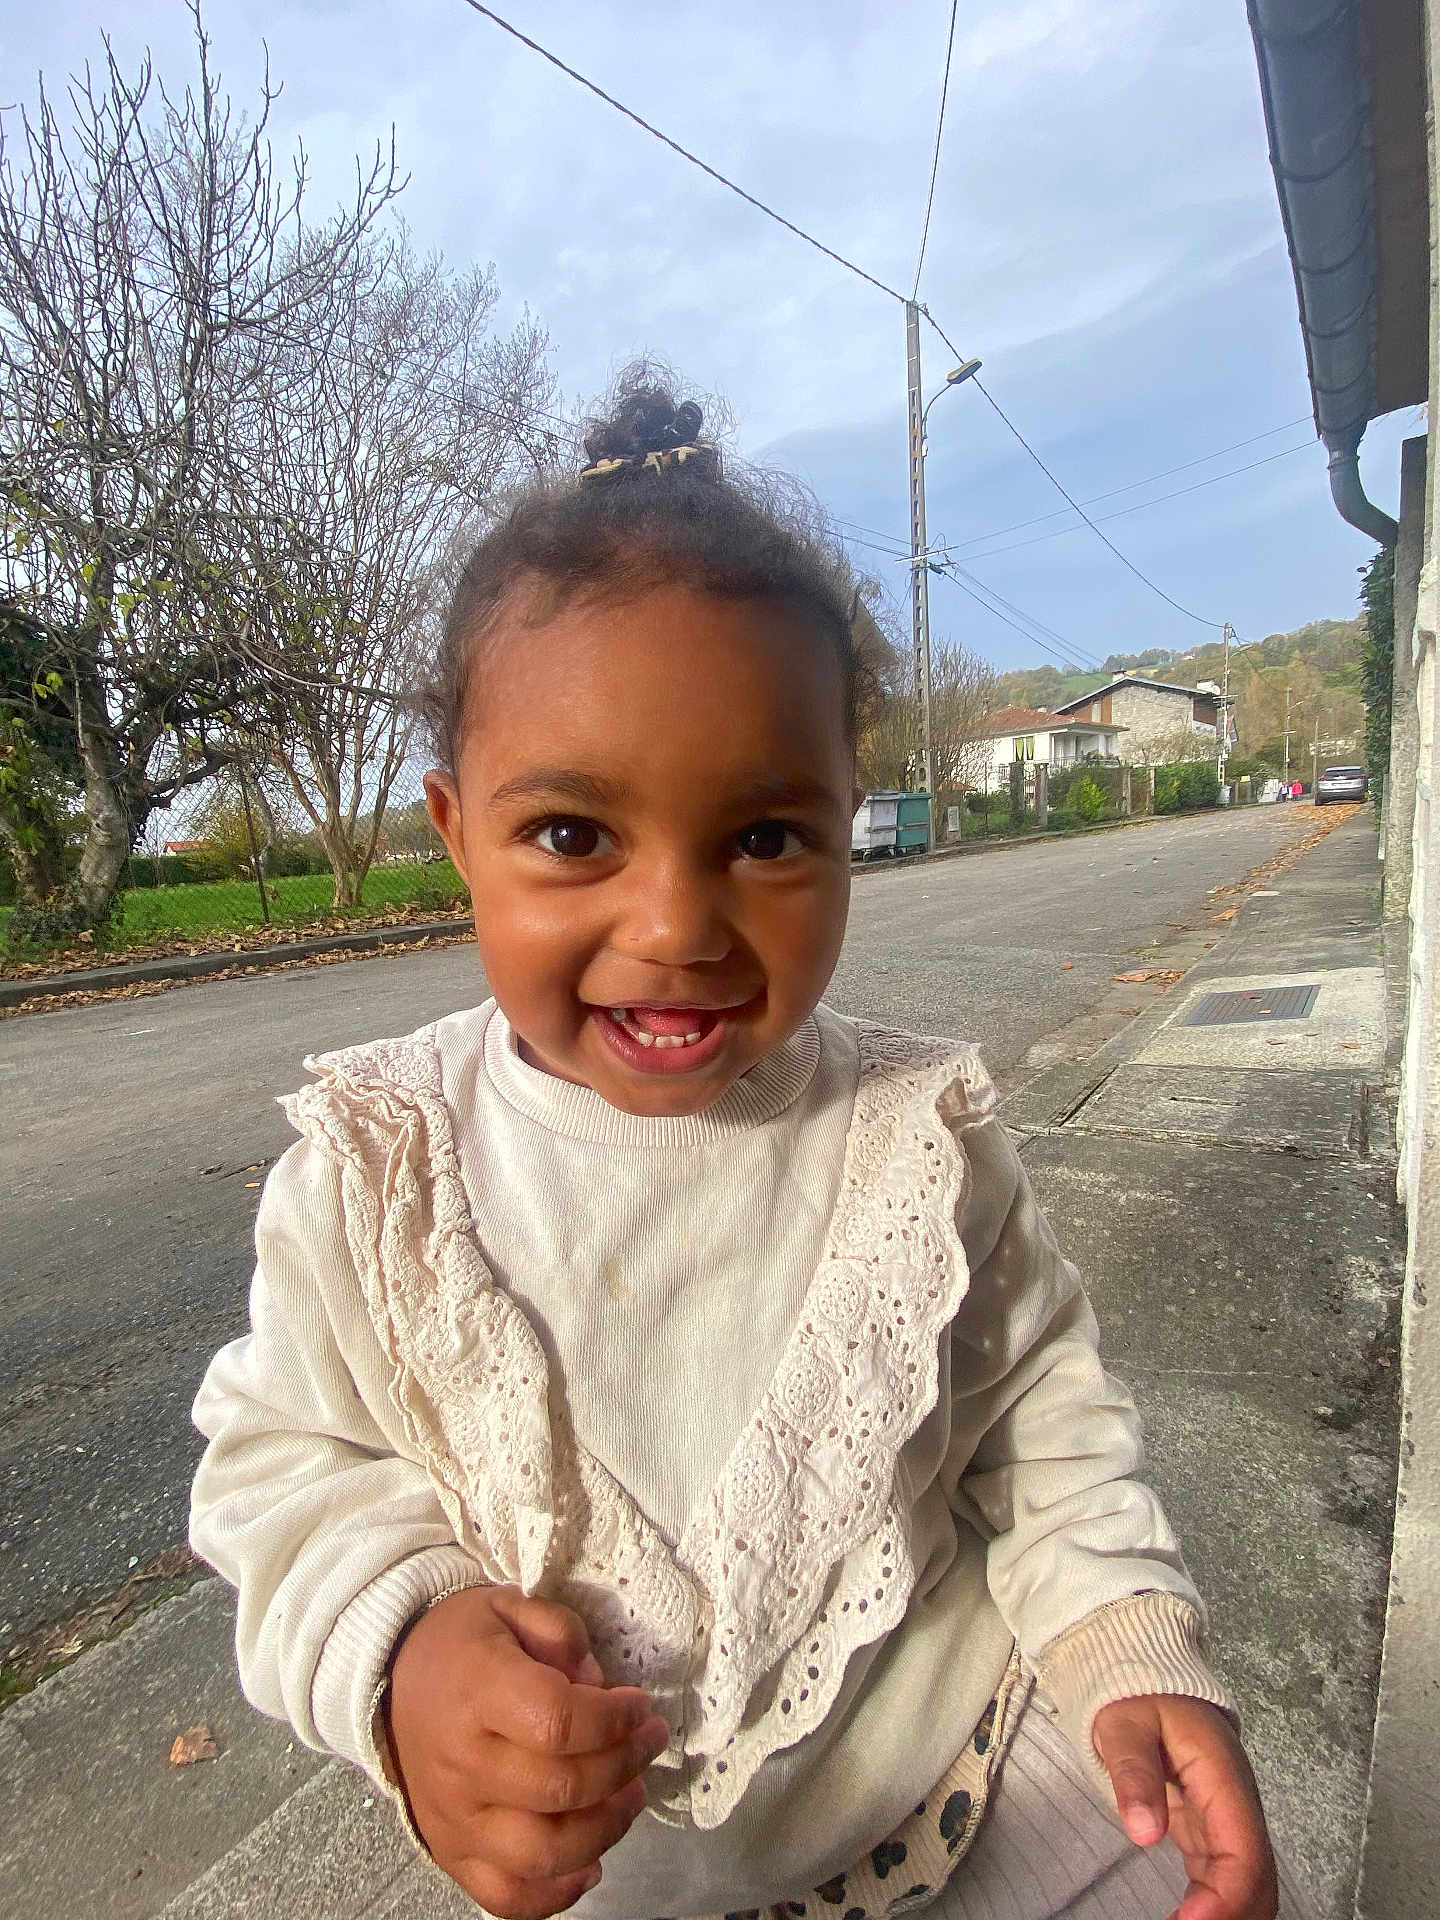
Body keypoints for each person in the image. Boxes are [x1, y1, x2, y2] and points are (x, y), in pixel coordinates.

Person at [189, 377, 1312, 1920]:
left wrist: (1123, 1640)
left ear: (855, 822)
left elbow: (1036, 1418)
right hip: (612, 1879)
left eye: (768, 838)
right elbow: (280, 1466)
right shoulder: (377, 1176)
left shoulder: (914, 1145)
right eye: (574, 836)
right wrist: (397, 1652)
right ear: (455, 834)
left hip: (981, 1779)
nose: (675, 930)